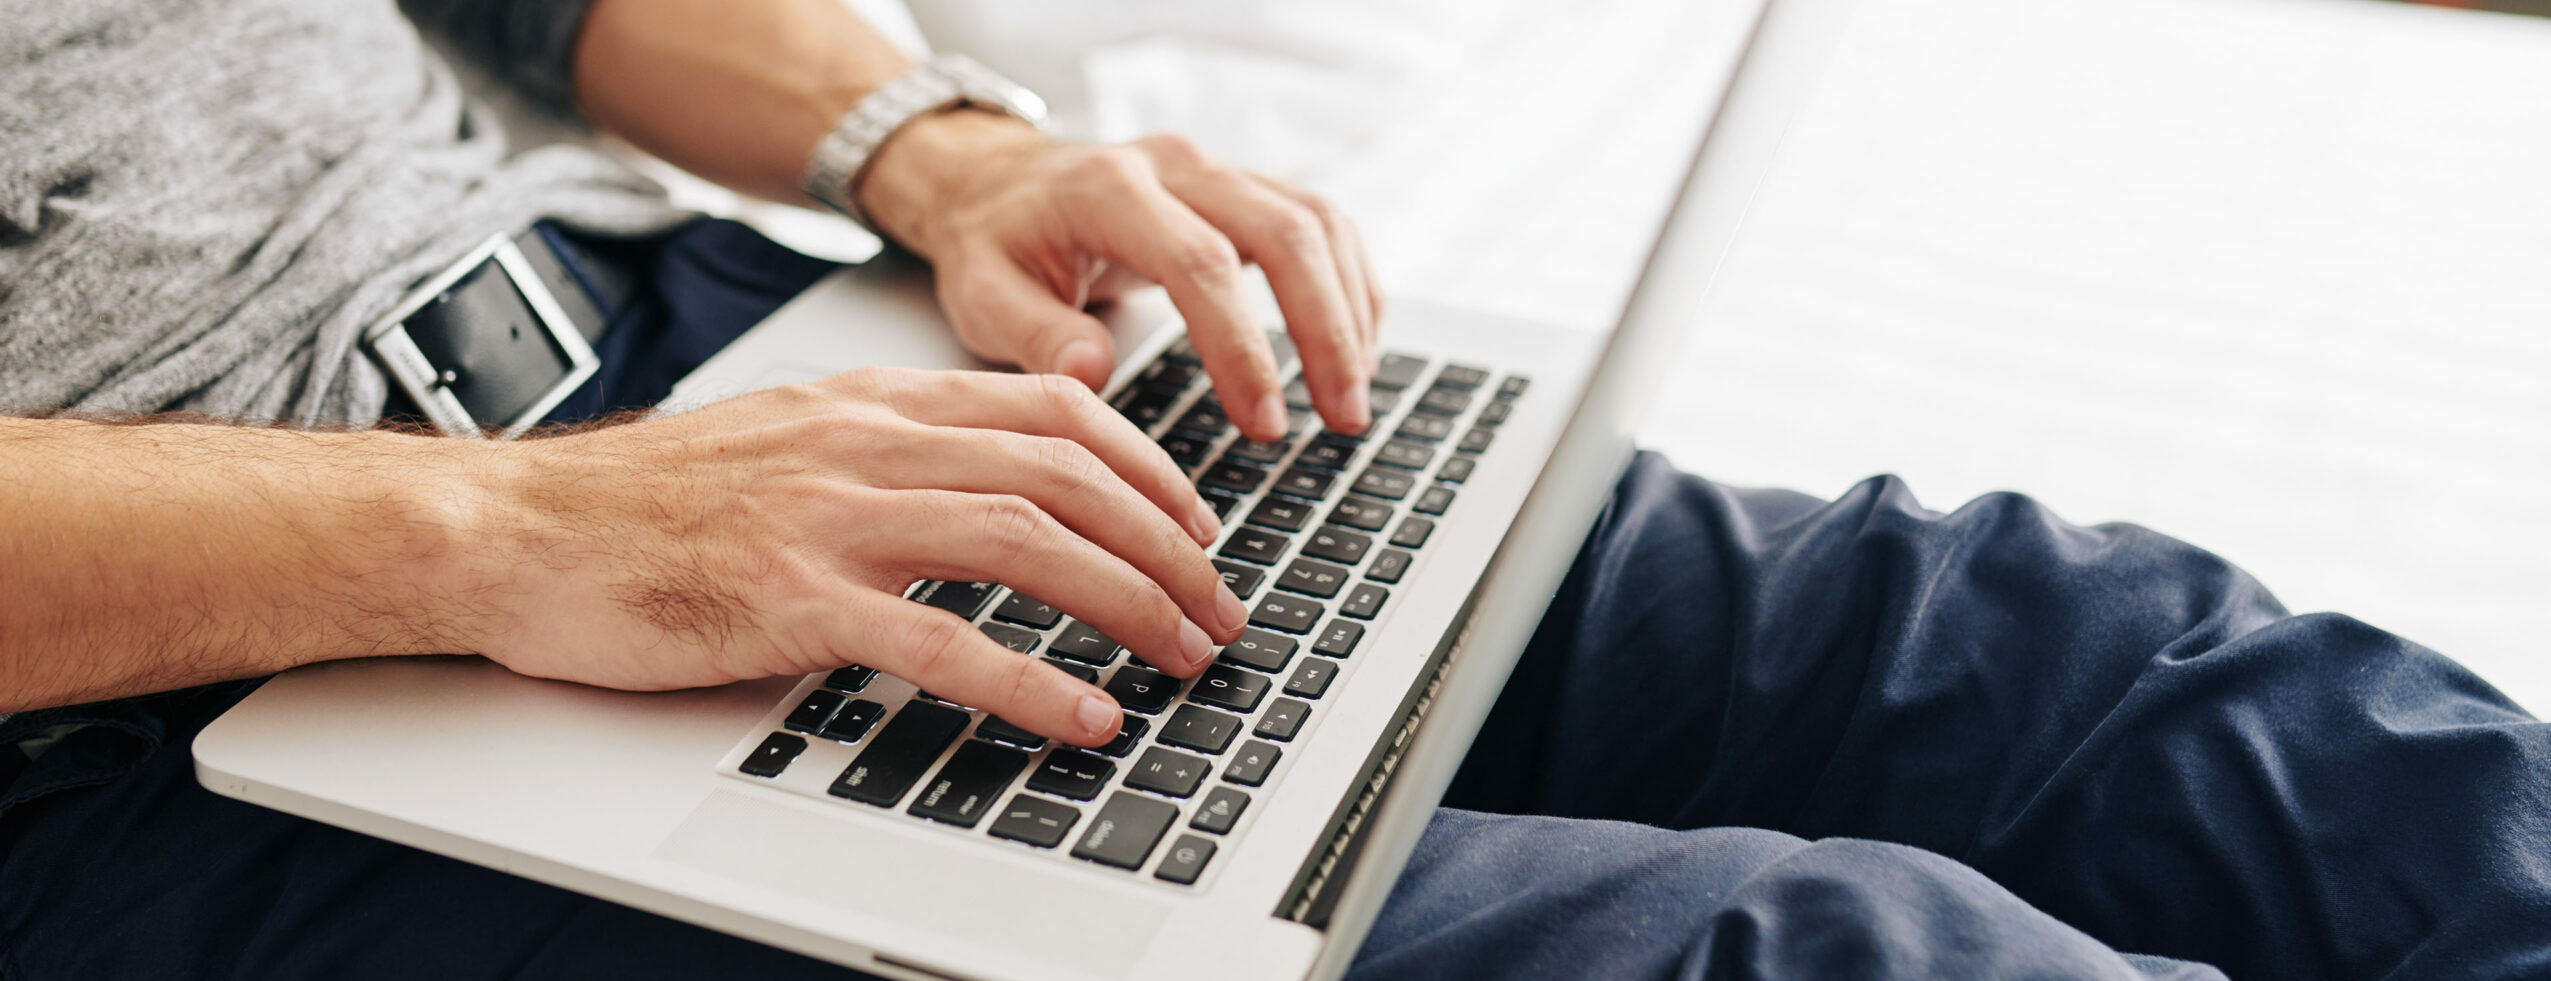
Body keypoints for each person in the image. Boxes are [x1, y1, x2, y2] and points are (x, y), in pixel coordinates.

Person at [2, 2, 2545, 980]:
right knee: (1785, 961)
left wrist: (929, 145)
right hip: (139, 703)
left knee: (2069, 656)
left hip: (683, 358)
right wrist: (497, 541)